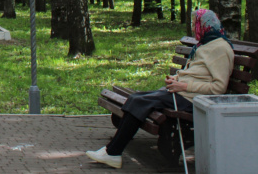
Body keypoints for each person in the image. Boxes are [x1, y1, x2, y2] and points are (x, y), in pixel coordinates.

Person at [86, 9, 234, 169]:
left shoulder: (220, 49)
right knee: (136, 98)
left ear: (204, 26)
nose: (192, 28)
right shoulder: (206, 44)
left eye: (194, 24)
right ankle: (112, 151)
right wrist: (176, 78)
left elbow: (219, 87)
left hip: (191, 100)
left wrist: (184, 85)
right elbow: (197, 73)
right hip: (181, 93)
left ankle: (113, 152)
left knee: (139, 102)